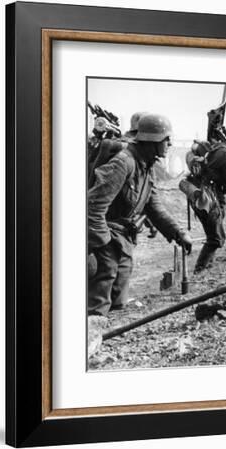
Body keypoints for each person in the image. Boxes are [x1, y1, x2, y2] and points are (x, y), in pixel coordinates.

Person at [87, 114, 192, 316]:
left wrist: (178, 233)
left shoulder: (146, 166)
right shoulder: (123, 163)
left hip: (124, 241)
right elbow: (93, 207)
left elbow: (154, 206)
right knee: (97, 306)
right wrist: (103, 247)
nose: (170, 143)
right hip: (107, 239)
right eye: (166, 139)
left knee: (118, 304)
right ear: (152, 141)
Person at [180, 125, 226, 272]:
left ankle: (204, 270)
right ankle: (200, 272)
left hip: (205, 194)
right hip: (208, 196)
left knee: (214, 237)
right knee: (216, 239)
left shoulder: (220, 148)